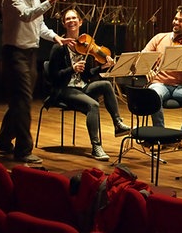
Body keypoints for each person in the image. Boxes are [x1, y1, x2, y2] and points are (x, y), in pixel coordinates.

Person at [0, 0, 73, 164]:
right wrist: (51, 1)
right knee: (22, 101)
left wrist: (57, 38)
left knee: (20, 100)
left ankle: (3, 141)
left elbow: (39, 25)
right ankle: (23, 150)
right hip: (15, 53)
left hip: (30, 53)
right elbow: (27, 16)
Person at [47, 9, 131, 161]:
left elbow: (86, 75)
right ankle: (96, 147)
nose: (71, 21)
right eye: (68, 19)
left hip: (81, 88)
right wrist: (71, 69)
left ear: (80, 22)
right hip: (64, 90)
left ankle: (118, 123)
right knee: (93, 105)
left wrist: (101, 68)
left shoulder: (84, 46)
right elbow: (52, 77)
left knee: (105, 84)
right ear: (64, 24)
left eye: (74, 18)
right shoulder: (59, 47)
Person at [142, 5, 182, 132]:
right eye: (175, 19)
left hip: (181, 87)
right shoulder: (159, 38)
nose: (176, 22)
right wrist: (148, 70)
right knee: (154, 94)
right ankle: (159, 133)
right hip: (160, 84)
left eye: (181, 21)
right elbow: (143, 57)